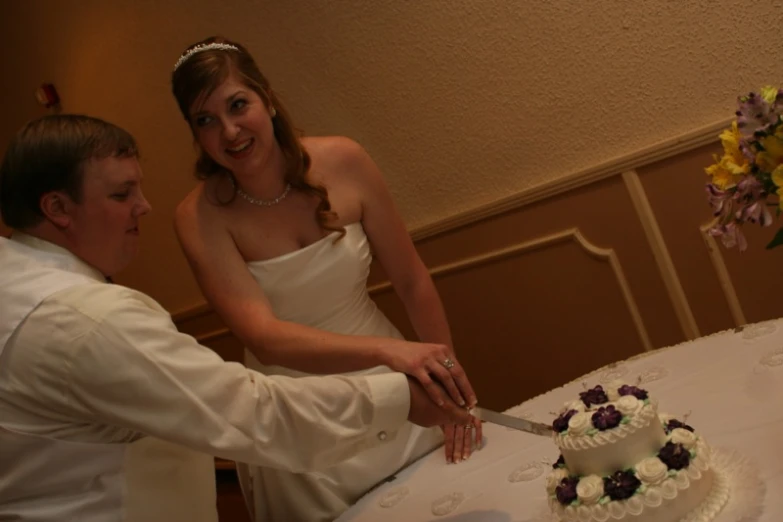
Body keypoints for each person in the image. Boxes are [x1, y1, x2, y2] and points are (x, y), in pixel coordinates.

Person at [0, 114, 473, 522]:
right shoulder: (89, 320)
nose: (143, 206)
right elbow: (251, 412)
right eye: (123, 194)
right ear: (57, 208)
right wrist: (397, 397)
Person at [170, 36, 483, 522]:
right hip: (299, 413)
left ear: (267, 98)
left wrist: (447, 385)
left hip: (399, 387)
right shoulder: (199, 217)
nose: (229, 132)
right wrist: (387, 354)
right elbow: (264, 338)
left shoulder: (345, 160)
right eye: (205, 120)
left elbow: (411, 279)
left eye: (238, 105)